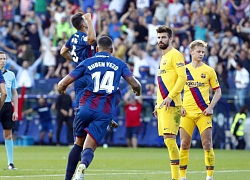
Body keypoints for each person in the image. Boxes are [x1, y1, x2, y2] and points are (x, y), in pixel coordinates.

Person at [58, 36, 141, 180]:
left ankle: (67, 178)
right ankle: (83, 165)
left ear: (96, 49)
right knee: (89, 147)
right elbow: (135, 84)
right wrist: (137, 91)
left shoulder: (87, 62)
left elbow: (63, 83)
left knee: (78, 144)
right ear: (112, 50)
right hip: (103, 112)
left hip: (84, 109)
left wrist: (61, 89)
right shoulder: (119, 63)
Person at [60, 12, 118, 128]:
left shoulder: (73, 37)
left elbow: (62, 52)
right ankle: (105, 117)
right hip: (90, 72)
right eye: (85, 21)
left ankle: (80, 129)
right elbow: (92, 39)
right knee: (106, 92)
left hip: (79, 73)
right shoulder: (83, 37)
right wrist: (90, 20)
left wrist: (75, 59)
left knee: (81, 101)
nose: (87, 21)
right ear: (82, 24)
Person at [179, 40, 222, 180]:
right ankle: (182, 176)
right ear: (191, 52)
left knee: (207, 143)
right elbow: (175, 91)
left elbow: (218, 92)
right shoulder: (183, 70)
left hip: (204, 112)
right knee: (184, 144)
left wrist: (210, 107)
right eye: (198, 51)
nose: (201, 54)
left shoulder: (209, 70)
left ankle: (209, 176)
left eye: (203, 52)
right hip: (187, 113)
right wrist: (180, 106)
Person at [153, 26, 186, 180]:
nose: (161, 40)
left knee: (170, 140)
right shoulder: (163, 57)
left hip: (172, 104)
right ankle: (177, 177)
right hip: (163, 104)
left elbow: (182, 78)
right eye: (159, 38)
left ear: (170, 38)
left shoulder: (176, 55)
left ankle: (177, 177)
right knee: (168, 140)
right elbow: (162, 83)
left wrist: (171, 97)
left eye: (164, 37)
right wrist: (157, 103)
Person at [0, 51, 17, 170]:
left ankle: (10, 163)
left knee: (8, 134)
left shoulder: (11, 75)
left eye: (4, 58)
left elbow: (15, 93)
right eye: (1, 58)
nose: (3, 61)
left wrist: (15, 110)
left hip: (6, 106)